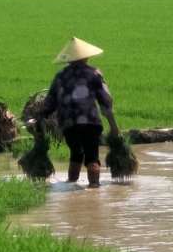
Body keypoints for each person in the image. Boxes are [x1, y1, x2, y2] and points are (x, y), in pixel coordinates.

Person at [39, 37, 119, 188]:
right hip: (91, 122)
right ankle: (94, 188)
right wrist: (114, 127)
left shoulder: (60, 76)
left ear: (68, 59)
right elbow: (106, 101)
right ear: (86, 57)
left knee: (76, 153)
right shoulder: (94, 73)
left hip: (68, 124)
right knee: (92, 157)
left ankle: (71, 184)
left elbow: (49, 103)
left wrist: (39, 120)